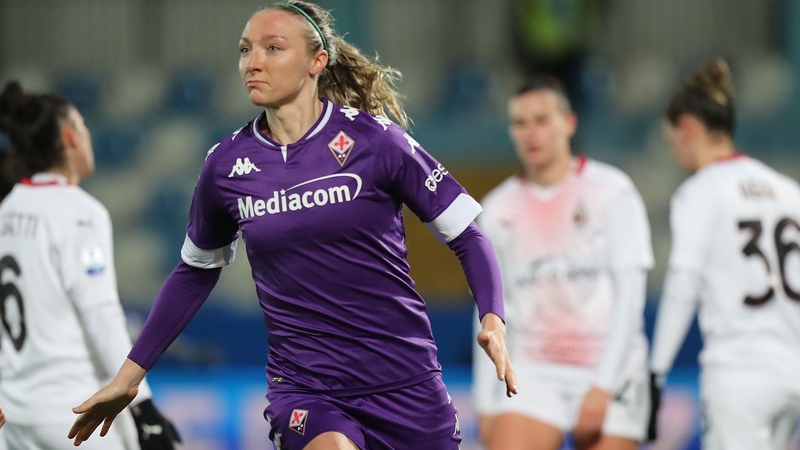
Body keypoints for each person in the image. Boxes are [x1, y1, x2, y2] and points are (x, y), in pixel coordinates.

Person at [68, 2, 517, 449]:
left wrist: (493, 318)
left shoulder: (377, 141)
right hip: (307, 389)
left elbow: (466, 234)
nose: (253, 62)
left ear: (316, 61)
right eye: (245, 50)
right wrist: (131, 376)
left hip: (405, 382)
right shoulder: (226, 167)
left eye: (272, 48)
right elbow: (194, 272)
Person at [472, 76, 653, 450]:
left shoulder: (611, 191)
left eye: (542, 120)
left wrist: (603, 386)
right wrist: (484, 399)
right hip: (534, 370)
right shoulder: (497, 209)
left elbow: (630, 297)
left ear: (569, 123)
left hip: (610, 367)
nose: (531, 133)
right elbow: (489, 312)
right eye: (520, 123)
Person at [0, 81, 181, 450]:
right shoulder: (79, 212)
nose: (86, 135)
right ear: (70, 136)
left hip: (14, 415)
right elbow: (99, 313)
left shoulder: (7, 210)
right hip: (73, 411)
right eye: (82, 126)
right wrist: (142, 404)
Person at [649, 57, 800, 450]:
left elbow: (684, 283)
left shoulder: (700, 191)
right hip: (793, 372)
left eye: (673, 143)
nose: (677, 155)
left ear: (687, 128)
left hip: (740, 374)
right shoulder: (789, 191)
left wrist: (656, 372)